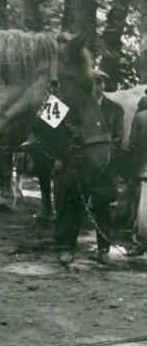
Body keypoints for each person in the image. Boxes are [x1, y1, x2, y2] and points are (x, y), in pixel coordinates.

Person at [53, 68, 123, 265]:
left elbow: (117, 141)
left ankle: (103, 251)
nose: (95, 87)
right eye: (90, 83)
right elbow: (52, 129)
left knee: (102, 210)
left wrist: (102, 158)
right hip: (78, 168)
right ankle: (68, 249)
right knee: (73, 207)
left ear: (104, 85)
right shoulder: (70, 105)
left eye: (99, 83)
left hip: (103, 170)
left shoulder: (115, 109)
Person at [126, 94, 147, 256]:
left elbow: (132, 144)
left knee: (143, 209)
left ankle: (141, 242)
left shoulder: (140, 117)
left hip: (143, 169)